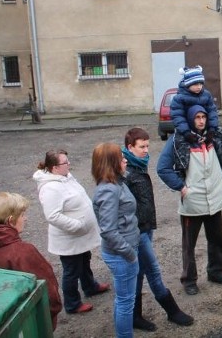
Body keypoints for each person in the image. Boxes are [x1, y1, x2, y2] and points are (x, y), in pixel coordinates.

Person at [157, 105, 222, 296]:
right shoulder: (179, 140)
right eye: (197, 117)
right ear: (190, 119)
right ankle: (189, 280)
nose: (201, 121)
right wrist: (182, 188)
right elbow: (163, 168)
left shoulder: (215, 137)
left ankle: (216, 272)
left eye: (204, 117)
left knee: (217, 239)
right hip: (193, 202)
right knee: (189, 245)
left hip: (215, 198)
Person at [122, 128, 193, 330]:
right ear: (129, 148)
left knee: (140, 271)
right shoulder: (125, 171)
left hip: (146, 227)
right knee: (152, 269)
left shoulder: (138, 165)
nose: (146, 151)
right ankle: (172, 311)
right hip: (138, 231)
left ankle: (135, 316)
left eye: (147, 146)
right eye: (141, 147)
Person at [33, 149, 109, 315]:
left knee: (84, 260)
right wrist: (77, 225)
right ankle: (72, 304)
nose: (69, 164)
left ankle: (90, 287)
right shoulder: (51, 188)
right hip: (69, 238)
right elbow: (52, 216)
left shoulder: (65, 177)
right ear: (54, 168)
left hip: (80, 236)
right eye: (65, 162)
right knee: (71, 270)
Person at [0, 192, 63, 330]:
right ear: (10, 220)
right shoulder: (22, 252)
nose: (25, 218)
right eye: (22, 215)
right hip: (29, 324)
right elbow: (50, 295)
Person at [92, 143, 140, 338]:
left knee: (123, 299)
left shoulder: (116, 183)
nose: (125, 160)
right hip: (121, 255)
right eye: (121, 158)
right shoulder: (108, 190)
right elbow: (108, 231)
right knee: (126, 302)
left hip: (124, 252)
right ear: (111, 163)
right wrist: (129, 254)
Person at [170, 65, 220, 137]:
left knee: (221, 143)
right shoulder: (179, 99)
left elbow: (212, 111)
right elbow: (178, 116)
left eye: (201, 84)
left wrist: (212, 128)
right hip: (186, 132)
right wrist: (186, 132)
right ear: (188, 84)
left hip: (206, 130)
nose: (199, 87)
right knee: (171, 146)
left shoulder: (206, 95)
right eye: (196, 84)